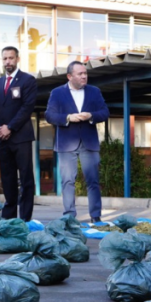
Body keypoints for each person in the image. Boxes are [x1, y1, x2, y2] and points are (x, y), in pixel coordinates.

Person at [44, 61, 110, 222]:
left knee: (93, 181)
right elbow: (49, 115)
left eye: (85, 73)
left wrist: (91, 116)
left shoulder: (94, 91)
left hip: (89, 143)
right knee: (67, 181)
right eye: (80, 74)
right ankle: (69, 217)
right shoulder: (57, 93)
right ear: (69, 76)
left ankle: (96, 217)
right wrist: (67, 117)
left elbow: (105, 112)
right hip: (66, 144)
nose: (84, 76)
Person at [0, 46, 38, 221]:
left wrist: (10, 127)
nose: (8, 61)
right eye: (5, 59)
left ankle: (25, 218)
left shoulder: (28, 80)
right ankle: (9, 217)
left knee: (25, 178)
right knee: (7, 178)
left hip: (21, 137)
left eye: (11, 58)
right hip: (3, 139)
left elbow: (27, 108)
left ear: (17, 59)